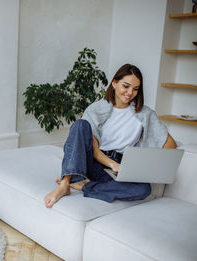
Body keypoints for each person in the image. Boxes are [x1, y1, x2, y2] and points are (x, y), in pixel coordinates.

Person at [44, 64, 177, 208]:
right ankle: (65, 184)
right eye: (125, 86)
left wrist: (147, 163)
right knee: (80, 125)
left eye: (135, 89)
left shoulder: (145, 114)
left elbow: (170, 143)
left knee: (143, 189)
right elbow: (94, 149)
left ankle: (84, 186)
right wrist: (113, 164)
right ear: (114, 83)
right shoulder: (96, 109)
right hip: (93, 162)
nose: (130, 92)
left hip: (118, 166)